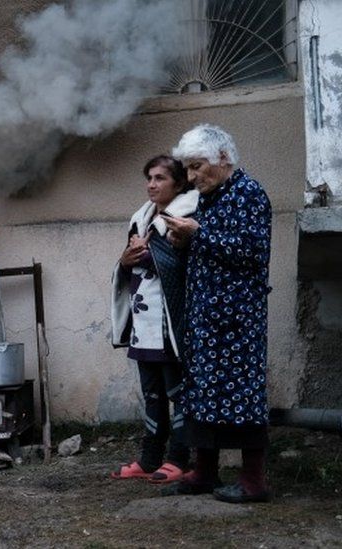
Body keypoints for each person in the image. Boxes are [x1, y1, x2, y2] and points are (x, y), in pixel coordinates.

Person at [162, 124, 273, 503]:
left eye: (196, 167)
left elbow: (253, 252)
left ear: (223, 159)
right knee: (201, 394)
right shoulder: (208, 197)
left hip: (237, 319)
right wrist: (182, 243)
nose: (191, 177)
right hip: (205, 317)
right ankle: (205, 472)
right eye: (188, 169)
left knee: (243, 395)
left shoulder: (248, 193)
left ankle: (253, 481)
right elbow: (208, 251)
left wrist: (199, 236)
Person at [110, 155, 198, 484]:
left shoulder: (187, 215)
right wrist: (126, 258)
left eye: (160, 178)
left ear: (179, 184)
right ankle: (149, 459)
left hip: (170, 325)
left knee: (179, 393)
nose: (151, 184)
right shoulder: (140, 219)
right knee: (152, 395)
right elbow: (130, 265)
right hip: (143, 324)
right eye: (149, 177)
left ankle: (178, 459)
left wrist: (148, 253)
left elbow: (181, 265)